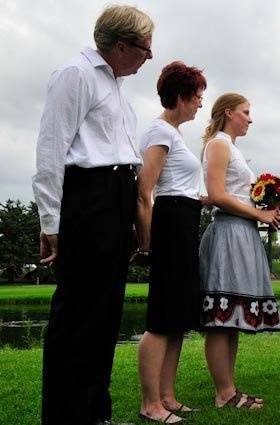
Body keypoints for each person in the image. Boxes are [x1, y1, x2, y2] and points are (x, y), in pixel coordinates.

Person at [32, 5, 153, 424]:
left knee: (105, 317)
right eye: (145, 49)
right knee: (77, 318)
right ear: (121, 46)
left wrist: (136, 219)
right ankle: (67, 417)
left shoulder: (117, 85)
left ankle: (95, 413)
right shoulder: (75, 74)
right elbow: (50, 150)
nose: (148, 57)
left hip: (117, 198)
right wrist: (52, 222)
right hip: (88, 200)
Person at [135, 61, 207, 423]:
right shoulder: (160, 132)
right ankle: (150, 404)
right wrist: (147, 244)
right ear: (180, 96)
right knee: (162, 319)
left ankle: (167, 396)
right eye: (197, 97)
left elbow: (184, 189)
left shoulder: (175, 134)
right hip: (169, 228)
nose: (200, 104)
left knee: (177, 318)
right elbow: (144, 191)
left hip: (184, 223)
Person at [199, 93, 280, 409]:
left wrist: (267, 207)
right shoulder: (218, 144)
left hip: (241, 233)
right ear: (229, 112)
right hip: (228, 234)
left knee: (231, 317)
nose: (250, 118)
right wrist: (259, 214)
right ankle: (224, 393)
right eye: (246, 112)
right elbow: (217, 194)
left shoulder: (232, 148)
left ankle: (229, 389)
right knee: (222, 317)